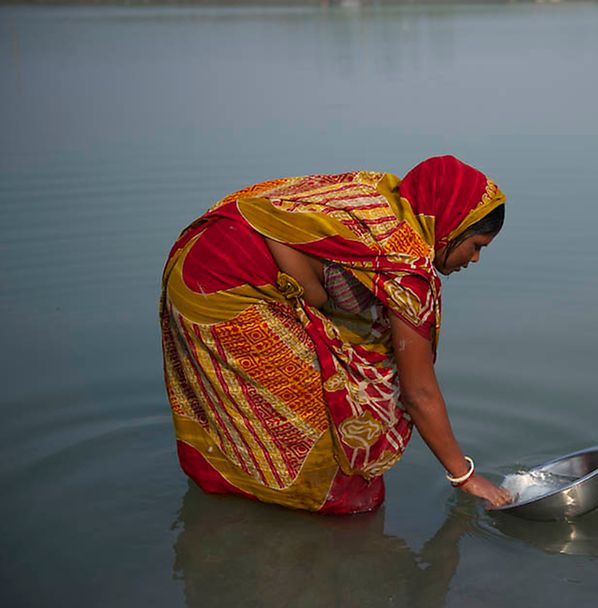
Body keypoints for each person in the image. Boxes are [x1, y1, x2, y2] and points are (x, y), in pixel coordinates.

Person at [160, 156, 513, 514]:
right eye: (477, 245)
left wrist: (312, 292)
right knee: (328, 445)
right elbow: (419, 392)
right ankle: (283, 515)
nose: (475, 259)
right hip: (224, 283)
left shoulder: (381, 195)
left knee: (282, 402)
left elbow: (268, 212)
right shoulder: (405, 267)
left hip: (202, 252)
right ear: (451, 228)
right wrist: (464, 476)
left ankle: (239, 496)